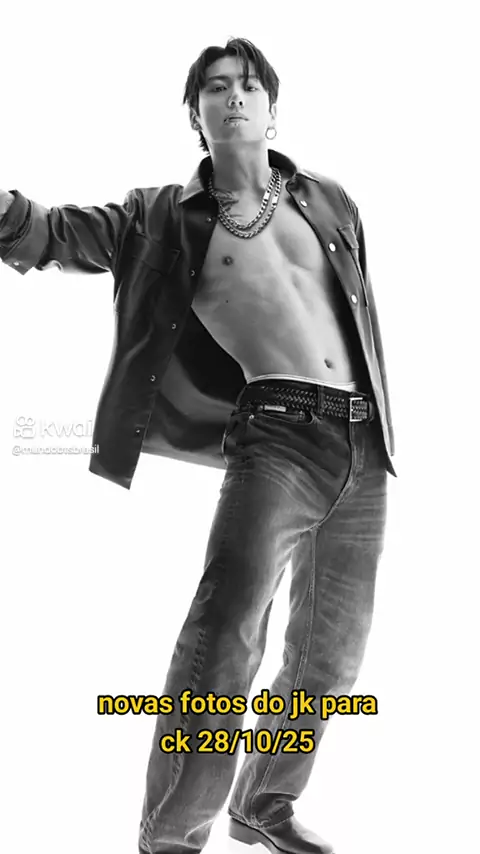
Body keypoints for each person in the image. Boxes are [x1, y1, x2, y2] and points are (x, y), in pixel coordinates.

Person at [0, 36, 396, 854]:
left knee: (330, 658)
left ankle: (264, 805)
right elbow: (49, 235)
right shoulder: (159, 218)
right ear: (197, 114)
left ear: (272, 108)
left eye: (249, 85)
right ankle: (172, 838)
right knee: (225, 642)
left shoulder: (330, 201)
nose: (234, 96)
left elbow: (360, 324)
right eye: (216, 87)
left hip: (362, 441)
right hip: (276, 439)